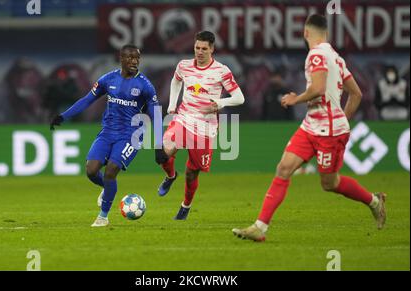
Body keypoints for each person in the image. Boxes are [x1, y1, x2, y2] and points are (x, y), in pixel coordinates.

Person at [232, 15, 386, 242]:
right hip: (312, 125)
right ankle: (260, 227)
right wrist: (342, 117)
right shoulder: (336, 57)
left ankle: (374, 201)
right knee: (284, 168)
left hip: (330, 132)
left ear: (305, 32)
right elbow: (357, 94)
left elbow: (319, 88)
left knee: (329, 183)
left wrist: (297, 99)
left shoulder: (316, 55)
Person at [50, 44, 167, 227]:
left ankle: (103, 216)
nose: (134, 61)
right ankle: (107, 189)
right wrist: (64, 116)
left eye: (137, 58)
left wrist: (159, 146)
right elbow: (87, 99)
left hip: (131, 135)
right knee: (91, 170)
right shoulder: (108, 79)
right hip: (107, 132)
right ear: (121, 59)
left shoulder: (145, 86)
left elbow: (156, 116)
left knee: (112, 169)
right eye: (130, 58)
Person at [156, 31, 245, 220]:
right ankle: (171, 176)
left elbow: (239, 98)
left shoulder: (221, 71)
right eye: (197, 48)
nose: (200, 52)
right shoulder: (184, 65)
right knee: (162, 153)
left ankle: (185, 206)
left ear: (212, 49)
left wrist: (221, 103)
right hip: (183, 119)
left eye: (204, 48)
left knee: (191, 174)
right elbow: (175, 81)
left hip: (205, 128)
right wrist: (172, 104)